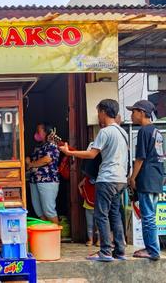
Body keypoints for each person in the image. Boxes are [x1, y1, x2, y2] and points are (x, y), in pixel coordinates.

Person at [60, 99, 128, 261]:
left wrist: (69, 153)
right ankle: (119, 251)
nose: (98, 116)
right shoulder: (122, 132)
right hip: (120, 179)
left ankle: (105, 251)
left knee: (101, 215)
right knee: (115, 215)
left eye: (98, 112)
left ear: (104, 112)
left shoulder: (105, 132)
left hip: (107, 179)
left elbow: (91, 154)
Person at [127, 100, 164, 261]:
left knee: (148, 216)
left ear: (142, 113)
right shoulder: (158, 132)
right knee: (150, 215)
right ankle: (151, 247)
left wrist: (132, 177)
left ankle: (153, 250)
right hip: (156, 178)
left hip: (147, 178)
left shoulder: (144, 131)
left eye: (133, 112)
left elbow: (140, 158)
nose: (131, 115)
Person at [27, 123, 60, 224]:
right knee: (40, 212)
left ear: (46, 132)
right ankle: (47, 237)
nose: (36, 133)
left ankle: (56, 238)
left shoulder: (52, 145)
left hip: (47, 180)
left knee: (49, 211)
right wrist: (28, 161)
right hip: (35, 180)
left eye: (38, 131)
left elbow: (47, 159)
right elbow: (32, 160)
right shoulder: (40, 146)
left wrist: (31, 164)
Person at [78, 175, 99, 246]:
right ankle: (91, 240)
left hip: (97, 207)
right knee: (91, 224)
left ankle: (98, 240)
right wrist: (82, 192)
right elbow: (79, 185)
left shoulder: (98, 178)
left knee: (97, 225)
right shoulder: (86, 178)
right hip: (89, 206)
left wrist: (82, 192)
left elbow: (79, 186)